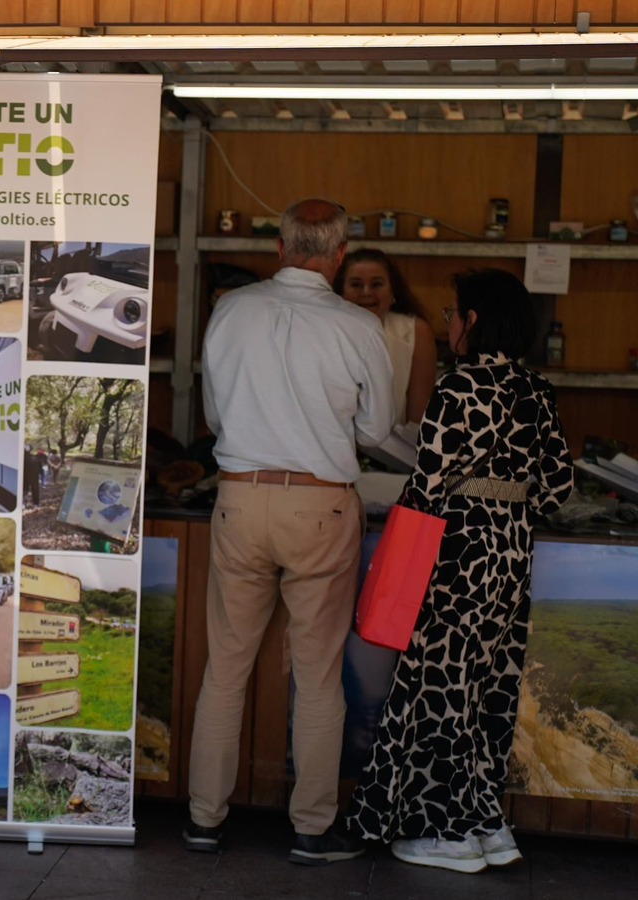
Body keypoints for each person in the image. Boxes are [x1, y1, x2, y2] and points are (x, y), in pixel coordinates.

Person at [344, 269, 574, 873]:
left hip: (457, 550)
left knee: (440, 685)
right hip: (511, 550)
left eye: (453, 313)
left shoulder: (459, 387)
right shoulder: (537, 390)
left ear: (474, 321)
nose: (447, 323)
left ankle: (444, 832)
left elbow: (425, 484)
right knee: (492, 686)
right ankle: (487, 823)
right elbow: (557, 488)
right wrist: (508, 494)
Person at [187, 198, 395, 865]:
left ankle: (202, 820)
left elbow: (215, 417)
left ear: (279, 248)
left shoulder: (230, 312)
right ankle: (311, 826)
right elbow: (376, 430)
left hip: (241, 499)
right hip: (321, 507)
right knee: (318, 674)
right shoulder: (359, 326)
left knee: (226, 669)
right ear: (339, 256)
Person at [333, 249, 437, 425]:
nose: (366, 292)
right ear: (341, 292)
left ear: (392, 291)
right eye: (356, 284)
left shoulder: (416, 332)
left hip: (395, 447)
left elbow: (418, 420)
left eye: (376, 284)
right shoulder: (325, 330)